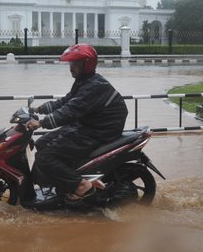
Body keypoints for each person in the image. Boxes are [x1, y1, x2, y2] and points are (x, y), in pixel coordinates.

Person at [26, 44, 128, 202]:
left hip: (98, 131)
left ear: (86, 64)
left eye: (75, 64)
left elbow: (70, 111)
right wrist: (40, 109)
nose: (71, 68)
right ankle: (59, 182)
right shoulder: (85, 81)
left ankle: (81, 185)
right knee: (42, 143)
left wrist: (41, 123)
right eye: (70, 64)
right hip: (89, 125)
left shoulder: (94, 86)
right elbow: (67, 101)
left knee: (45, 157)